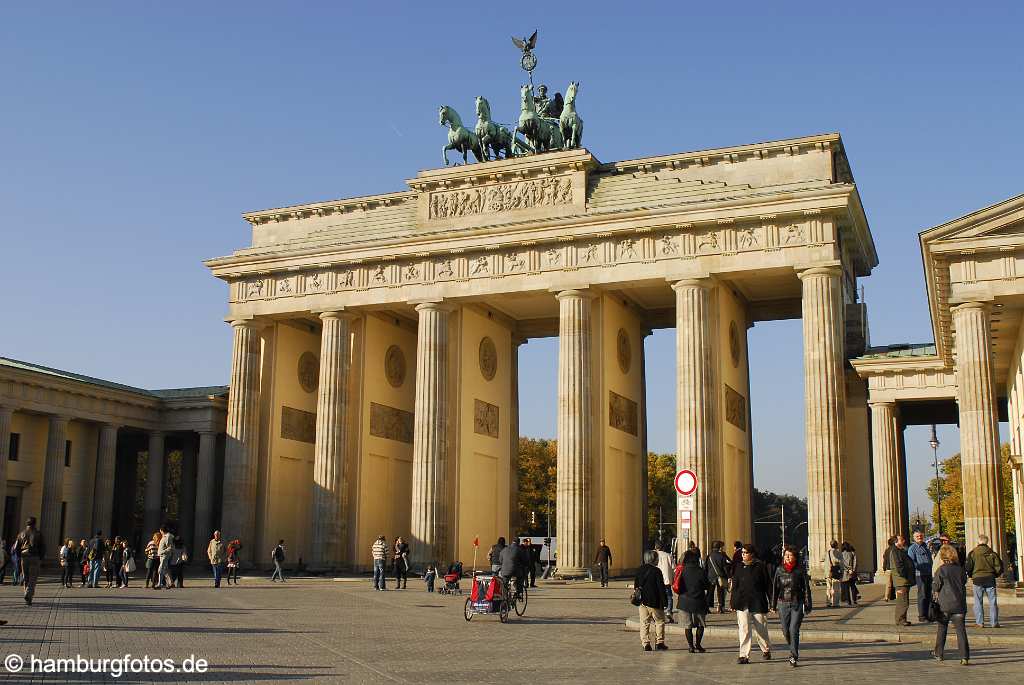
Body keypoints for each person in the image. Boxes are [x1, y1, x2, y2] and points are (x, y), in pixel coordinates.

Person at [772, 545, 812, 667]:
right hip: (783, 602)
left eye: (790, 555)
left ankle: (793, 655)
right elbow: (775, 588)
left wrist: (808, 604)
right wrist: (772, 605)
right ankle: (792, 646)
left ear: (795, 557)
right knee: (785, 630)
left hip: (796, 603)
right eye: (786, 555)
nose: (787, 557)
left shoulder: (800, 570)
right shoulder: (779, 570)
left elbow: (806, 588)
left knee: (793, 629)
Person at [731, 543, 771, 664]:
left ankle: (766, 649)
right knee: (744, 629)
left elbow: (767, 585)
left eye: (745, 553)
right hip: (742, 602)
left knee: (761, 629)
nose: (743, 555)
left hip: (758, 602)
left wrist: (772, 602)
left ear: (752, 554)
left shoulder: (760, 566)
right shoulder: (738, 567)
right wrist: (733, 602)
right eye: (742, 553)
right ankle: (743, 655)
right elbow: (735, 586)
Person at [933, 543, 970, 664]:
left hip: (945, 604)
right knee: (961, 631)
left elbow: (936, 586)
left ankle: (939, 653)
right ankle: (964, 656)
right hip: (959, 604)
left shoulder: (941, 570)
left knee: (942, 629)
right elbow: (964, 582)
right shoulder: (960, 570)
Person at [965, 534, 1004, 628]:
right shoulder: (992, 553)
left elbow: (968, 567)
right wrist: (995, 575)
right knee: (992, 602)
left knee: (978, 602)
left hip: (977, 579)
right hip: (990, 578)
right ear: (987, 542)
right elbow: (999, 567)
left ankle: (979, 622)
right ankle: (994, 622)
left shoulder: (973, 553)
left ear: (978, 542)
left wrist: (971, 575)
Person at [634, 549, 668, 651]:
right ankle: (659, 642)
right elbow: (661, 588)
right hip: (655, 601)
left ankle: (646, 644)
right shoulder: (657, 571)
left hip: (643, 601)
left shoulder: (639, 570)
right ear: (654, 559)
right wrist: (665, 601)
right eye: (657, 558)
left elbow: (636, 585)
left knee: (644, 623)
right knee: (660, 621)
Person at [677, 549, 709, 653]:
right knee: (700, 624)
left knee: (688, 626)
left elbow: (678, 585)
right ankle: (698, 644)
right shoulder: (700, 571)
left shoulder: (682, 570)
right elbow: (706, 585)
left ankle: (690, 646)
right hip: (698, 601)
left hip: (684, 602)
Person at [15, 517, 45, 605]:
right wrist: (41, 558)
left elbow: (16, 547)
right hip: (34, 557)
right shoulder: (38, 534)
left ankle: (28, 598)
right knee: (33, 578)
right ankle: (28, 594)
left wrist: (19, 556)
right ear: (35, 523)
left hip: (24, 557)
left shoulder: (21, 534)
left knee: (26, 578)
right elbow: (43, 547)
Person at [907, 530, 933, 621]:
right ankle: (922, 616)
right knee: (922, 595)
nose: (919, 538)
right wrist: (918, 567)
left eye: (921, 536)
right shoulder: (912, 548)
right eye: (917, 536)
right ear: (914, 538)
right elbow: (911, 562)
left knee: (929, 594)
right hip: (920, 574)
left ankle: (929, 614)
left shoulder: (926, 547)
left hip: (929, 573)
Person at [889, 534, 915, 626]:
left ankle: (902, 618)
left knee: (904, 601)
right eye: (901, 540)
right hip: (901, 580)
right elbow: (899, 566)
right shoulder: (895, 552)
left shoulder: (899, 551)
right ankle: (900, 620)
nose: (903, 541)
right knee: (903, 601)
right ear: (896, 542)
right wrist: (906, 576)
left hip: (903, 580)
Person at [705, 540, 732, 613]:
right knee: (720, 592)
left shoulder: (709, 556)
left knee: (710, 592)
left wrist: (706, 575)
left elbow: (706, 567)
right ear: (719, 547)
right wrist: (729, 576)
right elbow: (725, 567)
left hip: (711, 576)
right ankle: (720, 606)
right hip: (720, 576)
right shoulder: (722, 556)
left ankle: (707, 607)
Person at [653, 542, 675, 623]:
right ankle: (668, 611)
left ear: (656, 547)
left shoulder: (653, 555)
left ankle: (657, 613)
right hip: (666, 580)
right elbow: (673, 568)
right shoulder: (669, 555)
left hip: (656, 580)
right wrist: (672, 578)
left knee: (657, 596)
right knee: (669, 596)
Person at [840, 541, 860, 606]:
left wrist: (847, 569)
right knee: (853, 586)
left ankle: (849, 601)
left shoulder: (841, 554)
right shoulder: (852, 553)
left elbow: (842, 564)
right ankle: (854, 600)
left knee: (846, 588)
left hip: (845, 572)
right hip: (852, 572)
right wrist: (853, 570)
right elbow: (855, 562)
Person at [156, 525, 175, 589]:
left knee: (160, 569)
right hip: (163, 555)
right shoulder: (165, 536)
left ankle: (160, 584)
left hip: (164, 555)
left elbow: (170, 547)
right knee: (166, 570)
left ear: (162, 530)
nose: (160, 532)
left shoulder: (167, 536)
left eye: (160, 531)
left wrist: (163, 551)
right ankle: (170, 583)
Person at [826, 539, 843, 607]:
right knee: (835, 588)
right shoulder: (838, 553)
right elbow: (840, 563)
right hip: (835, 572)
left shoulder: (827, 552)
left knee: (828, 587)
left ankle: (828, 602)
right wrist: (841, 571)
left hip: (828, 573)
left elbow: (822, 559)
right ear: (836, 545)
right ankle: (835, 603)